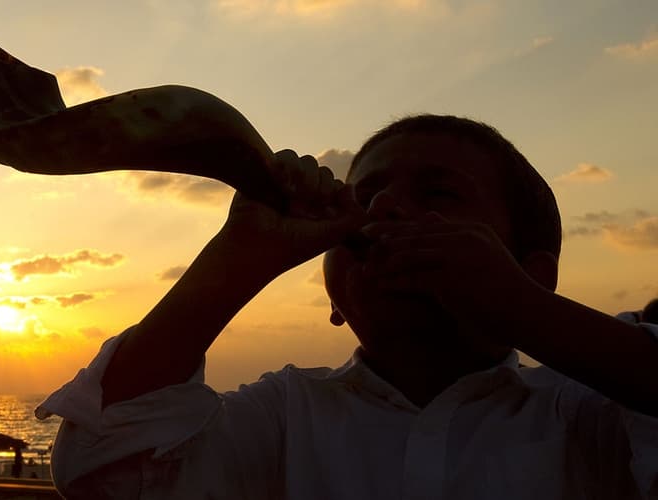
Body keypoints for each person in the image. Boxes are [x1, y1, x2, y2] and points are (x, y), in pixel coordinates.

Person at [36, 115, 658, 499]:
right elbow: (101, 470)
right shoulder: (283, 414)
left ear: (532, 276)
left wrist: (522, 311)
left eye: (438, 193)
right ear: (335, 298)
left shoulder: (588, 415)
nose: (381, 209)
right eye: (366, 197)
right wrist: (236, 258)